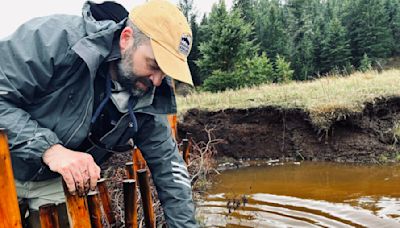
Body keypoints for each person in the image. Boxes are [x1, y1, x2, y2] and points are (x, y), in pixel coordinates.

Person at [0, 0, 197, 227]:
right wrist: (49, 149)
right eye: (153, 65)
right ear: (126, 38)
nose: (157, 80)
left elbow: (170, 168)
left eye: (166, 72)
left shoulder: (148, 98)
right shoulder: (55, 39)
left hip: (54, 184)